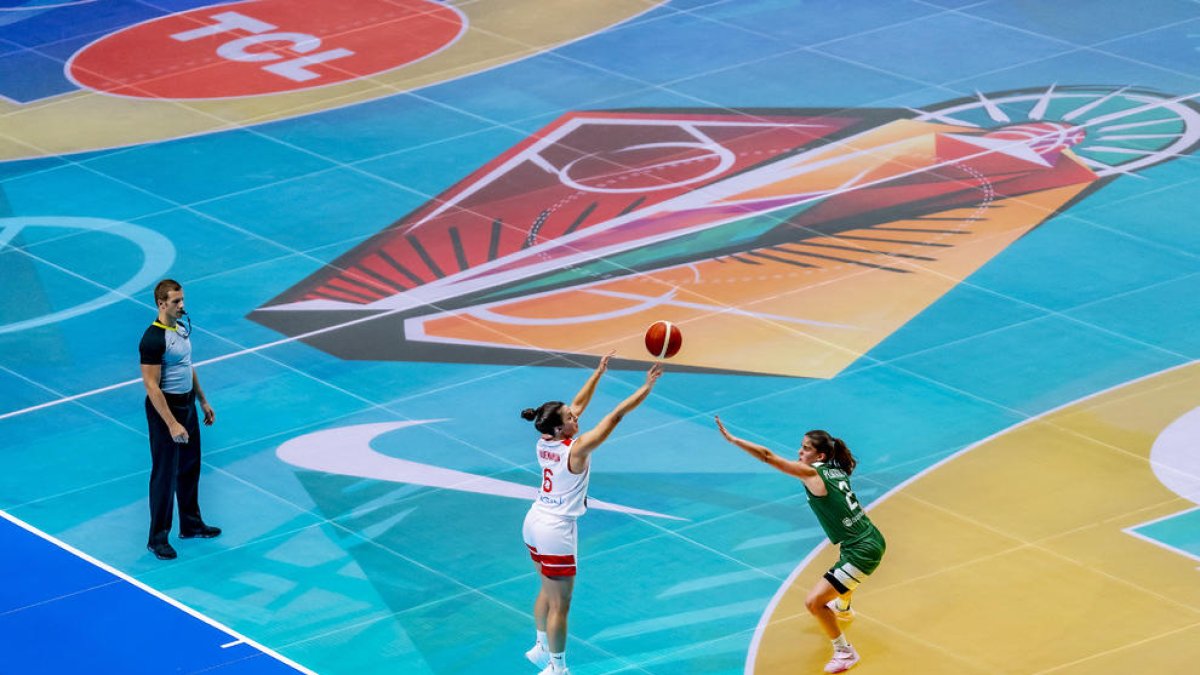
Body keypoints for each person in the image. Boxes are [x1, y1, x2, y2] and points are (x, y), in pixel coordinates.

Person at [520, 353, 663, 675]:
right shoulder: (577, 449)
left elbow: (578, 403)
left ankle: (541, 646)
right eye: (570, 417)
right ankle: (558, 668)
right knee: (561, 604)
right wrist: (646, 388)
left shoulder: (545, 439)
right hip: (555, 529)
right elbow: (614, 417)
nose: (576, 417)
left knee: (546, 587)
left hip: (533, 520)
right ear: (560, 428)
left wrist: (598, 373)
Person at [714, 417, 885, 674]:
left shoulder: (812, 473)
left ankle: (844, 652)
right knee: (839, 579)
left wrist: (733, 440)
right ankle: (844, 606)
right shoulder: (835, 469)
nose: (799, 452)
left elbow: (767, 456)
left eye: (805, 448)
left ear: (820, 454)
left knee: (814, 603)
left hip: (861, 550)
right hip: (869, 537)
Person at [139, 279, 221, 560]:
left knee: (189, 466)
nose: (182, 305)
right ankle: (157, 538)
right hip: (165, 409)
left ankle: (191, 524)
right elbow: (151, 386)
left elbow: (187, 366)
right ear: (161, 304)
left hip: (187, 404)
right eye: (176, 301)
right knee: (164, 473)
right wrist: (172, 422)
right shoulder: (153, 339)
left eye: (182, 299)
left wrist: (202, 400)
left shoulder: (182, 329)